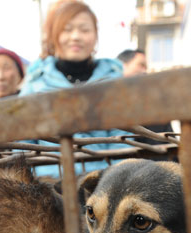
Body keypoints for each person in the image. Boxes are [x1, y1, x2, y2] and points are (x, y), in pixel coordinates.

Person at [19, 0, 128, 175]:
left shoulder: (115, 83)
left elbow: (123, 143)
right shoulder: (35, 83)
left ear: (95, 36)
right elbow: (21, 148)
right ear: (55, 36)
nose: (76, 36)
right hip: (47, 190)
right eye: (67, 29)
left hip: (100, 187)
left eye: (84, 30)